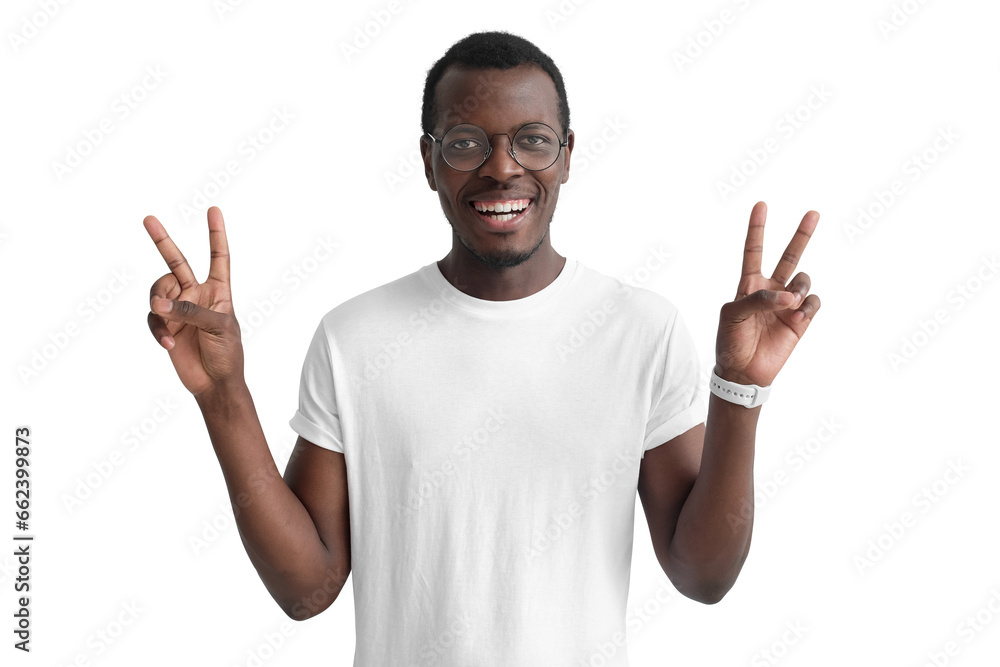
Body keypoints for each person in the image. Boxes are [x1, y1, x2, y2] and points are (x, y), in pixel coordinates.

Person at [144, 30, 820, 666]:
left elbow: (704, 576)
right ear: (428, 161)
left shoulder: (640, 329)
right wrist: (223, 395)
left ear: (567, 155)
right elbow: (305, 590)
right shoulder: (356, 337)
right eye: (466, 143)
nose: (502, 168)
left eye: (533, 141)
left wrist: (739, 389)